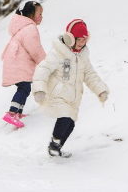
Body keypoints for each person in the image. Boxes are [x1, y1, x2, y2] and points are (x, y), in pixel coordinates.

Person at [32, 19, 109, 158]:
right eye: (79, 40)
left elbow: (90, 75)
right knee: (65, 117)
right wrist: (39, 89)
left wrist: (100, 90)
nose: (82, 43)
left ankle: (56, 147)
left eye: (85, 40)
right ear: (70, 38)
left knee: (70, 124)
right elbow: (43, 69)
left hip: (73, 97)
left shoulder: (83, 56)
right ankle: (54, 145)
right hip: (56, 94)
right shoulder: (58, 53)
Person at [1, 1, 46, 128]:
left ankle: (18, 113)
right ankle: (12, 113)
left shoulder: (24, 27)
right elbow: (35, 49)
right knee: (24, 88)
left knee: (25, 87)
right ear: (31, 14)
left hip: (16, 63)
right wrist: (44, 62)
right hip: (19, 64)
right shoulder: (30, 28)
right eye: (40, 14)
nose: (42, 17)